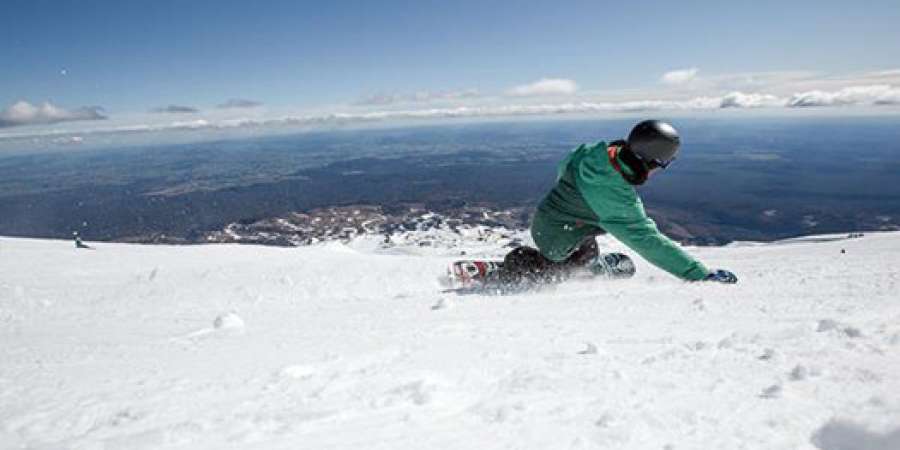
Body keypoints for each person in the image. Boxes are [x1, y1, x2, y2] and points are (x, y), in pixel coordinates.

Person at [503, 120, 737, 284]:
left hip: (556, 220)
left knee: (587, 244)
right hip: (556, 239)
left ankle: (585, 263)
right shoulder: (616, 198)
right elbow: (648, 241)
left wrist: (571, 204)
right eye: (664, 165)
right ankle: (525, 265)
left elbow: (564, 168)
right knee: (563, 267)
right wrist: (700, 275)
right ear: (651, 162)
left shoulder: (593, 152)